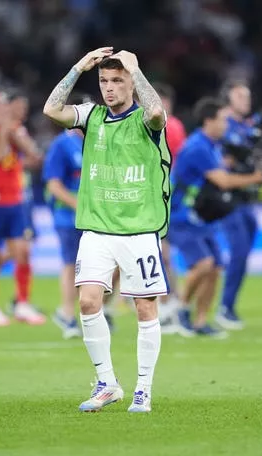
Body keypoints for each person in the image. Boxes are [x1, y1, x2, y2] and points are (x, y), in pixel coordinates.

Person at [43, 47, 170, 413]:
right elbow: (52, 109)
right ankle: (107, 383)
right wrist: (79, 67)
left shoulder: (147, 122)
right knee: (87, 301)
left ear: (131, 82)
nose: (109, 88)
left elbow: (157, 112)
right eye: (104, 81)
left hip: (139, 229)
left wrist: (136, 67)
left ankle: (143, 389)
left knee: (145, 307)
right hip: (97, 229)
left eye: (117, 80)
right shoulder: (92, 116)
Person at [169, 97, 262, 339]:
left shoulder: (212, 145)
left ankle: (201, 321)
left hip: (202, 217)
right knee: (203, 264)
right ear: (208, 121)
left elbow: (223, 171)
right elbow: (223, 181)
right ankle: (181, 308)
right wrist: (258, 177)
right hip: (180, 217)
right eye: (223, 120)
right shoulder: (197, 147)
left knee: (215, 267)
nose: (226, 125)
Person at [0, 87, 44, 327]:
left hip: (16, 201)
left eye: (1, 106)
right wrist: (5, 129)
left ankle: (22, 304)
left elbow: (34, 156)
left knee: (23, 252)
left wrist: (15, 131)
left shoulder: (14, 130)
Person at [43, 93, 90, 339]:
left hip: (95, 217)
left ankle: (95, 312)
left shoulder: (95, 141)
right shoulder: (61, 145)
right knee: (71, 264)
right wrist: (78, 205)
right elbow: (53, 185)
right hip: (67, 217)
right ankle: (68, 315)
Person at [216, 80, 261, 330]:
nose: (247, 101)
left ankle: (229, 306)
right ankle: (225, 307)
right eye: (241, 97)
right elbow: (224, 162)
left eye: (248, 97)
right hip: (229, 199)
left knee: (242, 255)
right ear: (228, 100)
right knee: (239, 252)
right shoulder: (223, 125)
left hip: (246, 198)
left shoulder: (249, 126)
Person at [151, 82, 187, 331]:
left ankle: (168, 304)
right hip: (157, 198)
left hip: (164, 198)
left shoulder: (173, 126)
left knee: (163, 255)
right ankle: (166, 304)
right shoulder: (167, 125)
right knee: (161, 255)